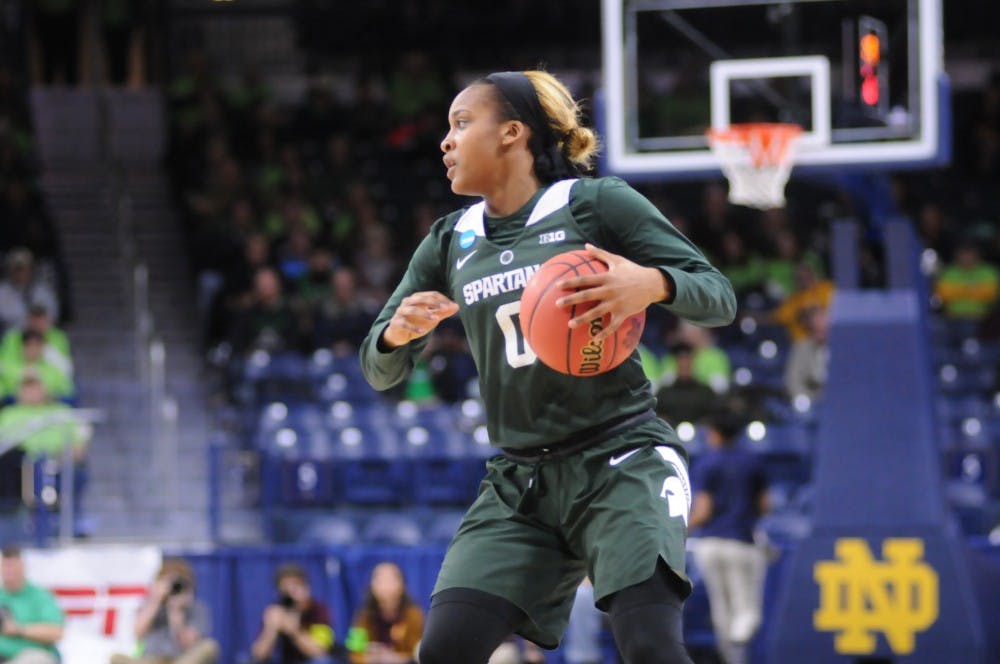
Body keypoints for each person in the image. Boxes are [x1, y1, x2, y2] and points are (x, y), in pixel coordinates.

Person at [360, 70, 736, 663]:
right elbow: (377, 369)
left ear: (513, 133)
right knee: (442, 653)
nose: (445, 141)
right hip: (520, 483)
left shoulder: (594, 203)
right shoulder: (448, 240)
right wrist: (396, 337)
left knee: (651, 648)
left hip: (622, 461)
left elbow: (718, 295)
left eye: (462, 124)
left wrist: (652, 282)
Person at [688, 412, 770, 664]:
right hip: (742, 542)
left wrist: (685, 529)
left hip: (709, 544)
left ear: (715, 432)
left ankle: (733, 655)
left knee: (722, 609)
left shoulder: (707, 462)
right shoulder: (753, 462)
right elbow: (765, 505)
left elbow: (703, 508)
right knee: (747, 611)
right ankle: (738, 638)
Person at [110, 558, 219, 664]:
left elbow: (188, 643)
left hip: (181, 660)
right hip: (151, 660)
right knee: (115, 658)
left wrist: (176, 611)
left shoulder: (196, 608)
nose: (172, 588)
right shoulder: (150, 605)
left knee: (209, 646)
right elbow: (138, 633)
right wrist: (156, 599)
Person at [250, 563, 335, 664]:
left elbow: (320, 652)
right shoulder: (276, 610)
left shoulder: (318, 610)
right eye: (286, 588)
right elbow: (259, 654)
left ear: (306, 587)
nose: (292, 591)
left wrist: (294, 631)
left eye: (296, 585)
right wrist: (271, 629)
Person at [346, 562, 423, 664]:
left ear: (402, 585)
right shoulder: (363, 616)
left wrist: (393, 657)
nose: (384, 584)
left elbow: (417, 653)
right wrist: (371, 657)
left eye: (390, 579)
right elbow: (354, 653)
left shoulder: (413, 615)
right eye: (379, 579)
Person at [0, 545, 64, 664]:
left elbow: (56, 632)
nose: (9, 572)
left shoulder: (40, 596)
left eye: (13, 567)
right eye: (6, 566)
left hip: (32, 654)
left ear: (23, 568)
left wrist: (18, 630)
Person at [783, 307, 830, 403]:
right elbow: (793, 380)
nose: (820, 334)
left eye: (824, 330)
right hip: (813, 401)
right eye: (816, 330)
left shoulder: (845, 348)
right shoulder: (801, 347)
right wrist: (807, 399)